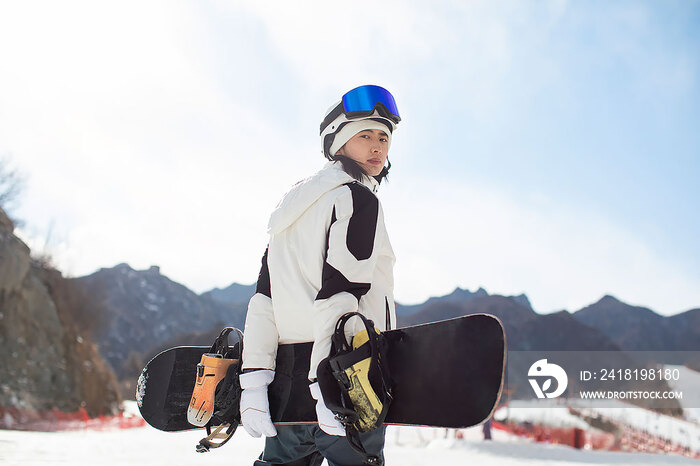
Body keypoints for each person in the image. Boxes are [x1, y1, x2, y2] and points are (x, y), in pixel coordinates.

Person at [238, 84, 401, 466]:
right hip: (346, 380)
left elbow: (264, 302)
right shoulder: (359, 200)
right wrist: (326, 385)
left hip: (287, 388)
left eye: (384, 137)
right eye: (364, 136)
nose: (377, 146)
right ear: (339, 144)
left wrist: (255, 381)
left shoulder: (288, 213)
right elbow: (339, 298)